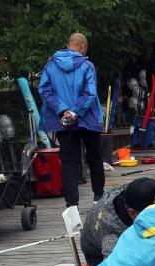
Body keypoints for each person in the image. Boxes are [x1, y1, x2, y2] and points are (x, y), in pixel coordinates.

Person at [38, 32, 105, 207]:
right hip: (87, 119)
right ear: (83, 46)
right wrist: (75, 111)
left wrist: (63, 110)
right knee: (94, 157)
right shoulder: (87, 66)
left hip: (62, 121)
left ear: (68, 45)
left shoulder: (50, 65)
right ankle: (98, 197)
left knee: (68, 161)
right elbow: (90, 93)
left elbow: (44, 90)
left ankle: (71, 204)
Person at [80, 178, 155, 266]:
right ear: (132, 213)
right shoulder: (112, 236)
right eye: (154, 215)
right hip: (98, 256)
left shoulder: (151, 192)